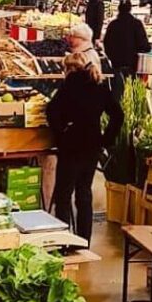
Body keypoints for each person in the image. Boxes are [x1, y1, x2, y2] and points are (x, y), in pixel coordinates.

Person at [45, 52, 123, 244]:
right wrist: (106, 139)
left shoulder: (68, 85)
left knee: (64, 195)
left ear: (68, 69)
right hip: (92, 145)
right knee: (84, 193)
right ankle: (84, 240)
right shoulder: (99, 85)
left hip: (71, 146)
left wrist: (60, 133)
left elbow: (51, 111)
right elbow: (118, 115)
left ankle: (65, 239)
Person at [103, 0, 152, 98]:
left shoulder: (112, 25)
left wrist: (112, 57)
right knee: (133, 96)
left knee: (118, 94)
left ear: (118, 9)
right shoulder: (137, 24)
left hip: (116, 66)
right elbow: (144, 45)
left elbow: (106, 44)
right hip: (133, 66)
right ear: (130, 9)